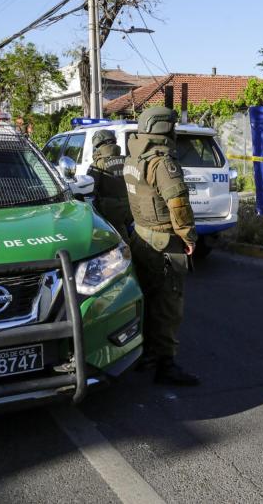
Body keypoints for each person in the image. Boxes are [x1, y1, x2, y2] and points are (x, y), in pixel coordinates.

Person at [124, 106, 199, 386]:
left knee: (146, 298)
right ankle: (166, 365)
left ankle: (146, 354)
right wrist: (188, 236)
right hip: (164, 241)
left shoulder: (133, 157)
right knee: (168, 305)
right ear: (165, 129)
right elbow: (178, 203)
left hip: (140, 236)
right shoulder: (162, 162)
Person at [87, 129, 133, 242]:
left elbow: (90, 189)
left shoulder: (97, 164)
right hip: (132, 209)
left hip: (111, 212)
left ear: (97, 145)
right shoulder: (127, 160)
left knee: (120, 243)